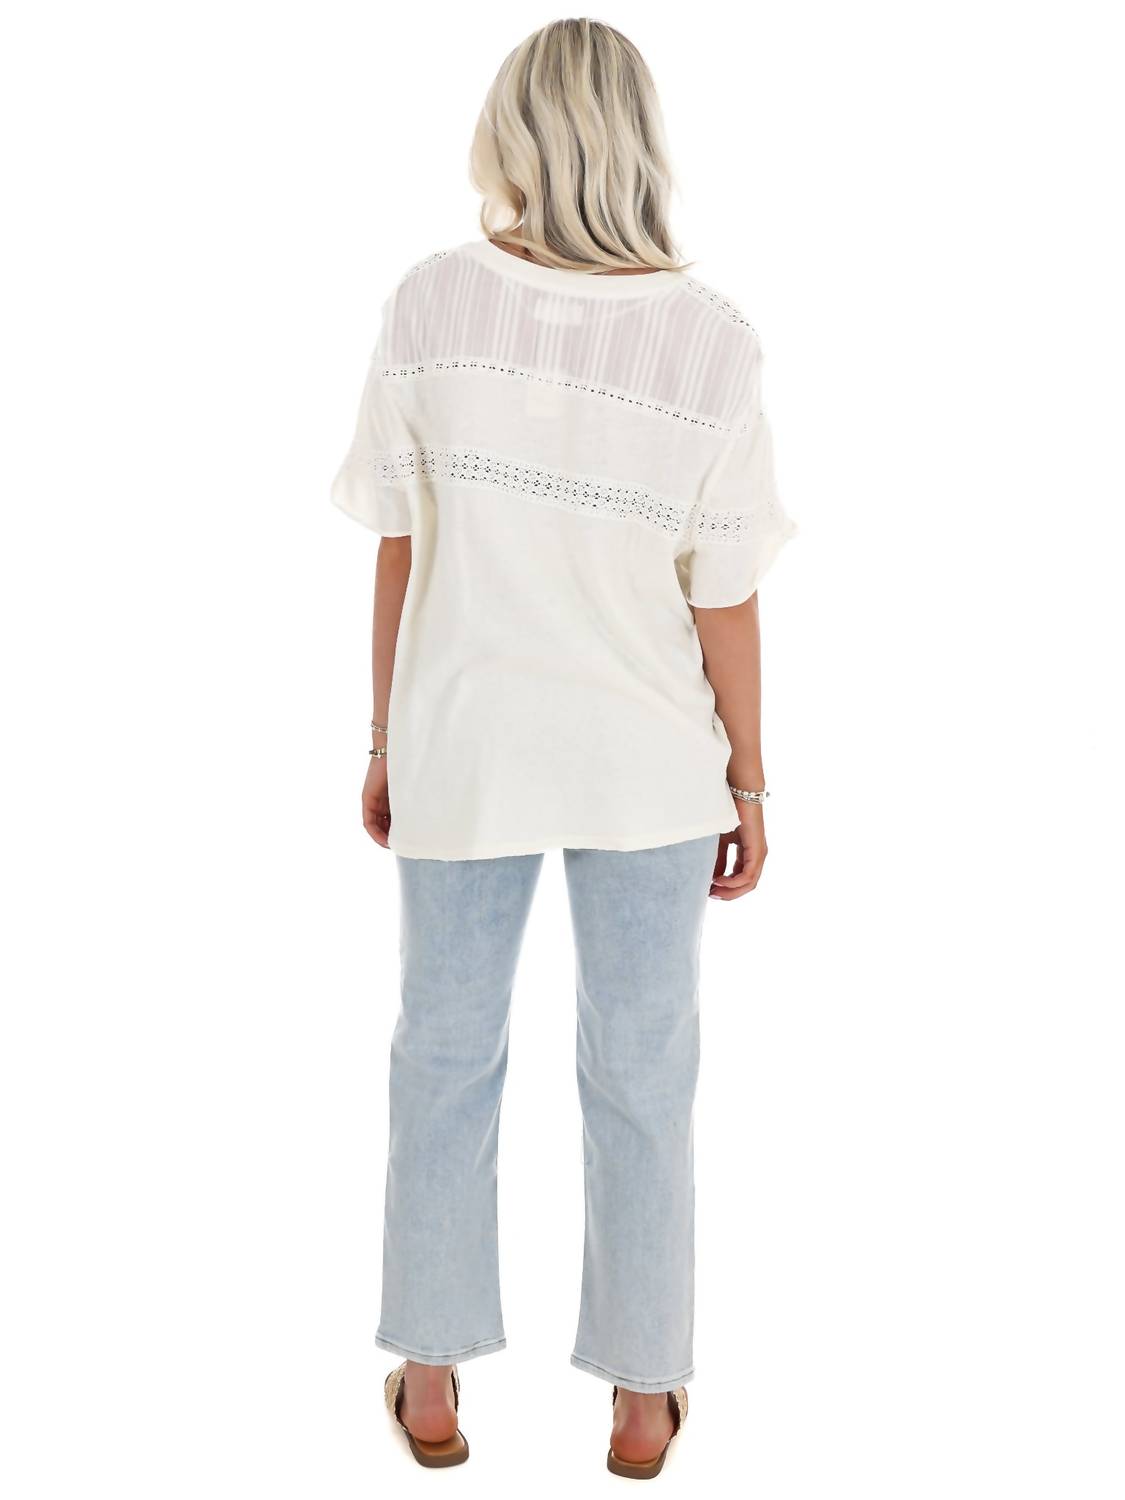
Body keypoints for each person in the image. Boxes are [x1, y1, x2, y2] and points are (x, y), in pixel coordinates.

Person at [330, 18, 797, 1479]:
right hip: (649, 759)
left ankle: (428, 1382)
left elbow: (399, 542)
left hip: (464, 737)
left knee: (441, 1053)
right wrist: (749, 777)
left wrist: (385, 737)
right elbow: (723, 593)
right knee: (644, 1072)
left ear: (508, 131)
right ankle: (645, 1401)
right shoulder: (711, 339)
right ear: (637, 139)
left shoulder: (428, 302)